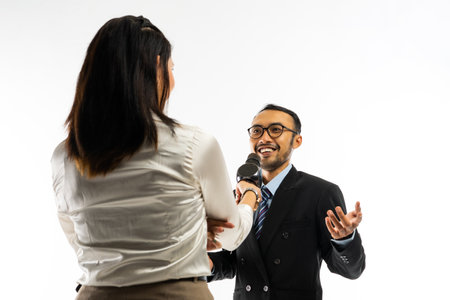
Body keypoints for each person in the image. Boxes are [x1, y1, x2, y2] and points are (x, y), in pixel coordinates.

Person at [51, 15, 260, 300]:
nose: (173, 80)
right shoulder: (194, 144)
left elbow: (85, 243)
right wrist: (249, 198)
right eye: (172, 68)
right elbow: (231, 236)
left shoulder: (65, 155)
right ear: (157, 69)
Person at [208, 104, 366, 300]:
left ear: (297, 140)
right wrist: (202, 262)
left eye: (275, 130)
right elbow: (234, 261)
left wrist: (344, 240)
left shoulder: (320, 193)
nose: (264, 138)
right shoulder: (238, 197)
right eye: (257, 131)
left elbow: (351, 270)